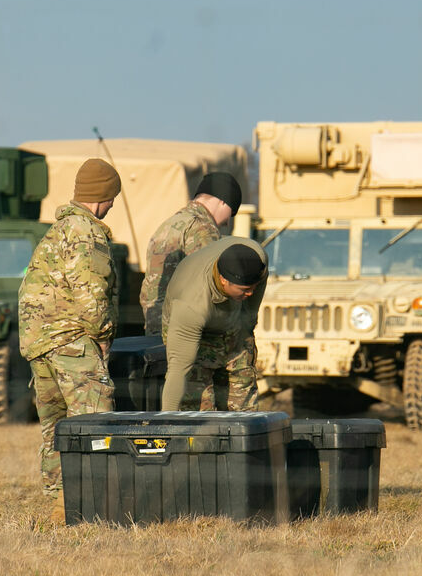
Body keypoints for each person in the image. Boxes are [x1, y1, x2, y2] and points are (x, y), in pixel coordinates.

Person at [18, 158, 121, 500]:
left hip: (39, 344)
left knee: (56, 427)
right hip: (72, 342)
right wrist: (103, 339)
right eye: (111, 198)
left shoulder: (56, 230)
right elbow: (91, 293)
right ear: (102, 196)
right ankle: (93, 502)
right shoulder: (86, 232)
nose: (111, 205)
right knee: (95, 420)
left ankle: (59, 501)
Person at [161, 236, 268, 412]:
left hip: (232, 321)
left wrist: (247, 325)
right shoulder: (192, 304)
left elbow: (252, 303)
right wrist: (166, 421)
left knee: (243, 403)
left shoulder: (257, 258)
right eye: (245, 289)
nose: (251, 293)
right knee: (198, 407)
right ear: (223, 280)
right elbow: (178, 370)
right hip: (193, 330)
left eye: (253, 287)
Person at [139, 171, 243, 335]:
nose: (228, 222)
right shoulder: (203, 229)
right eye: (231, 213)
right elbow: (209, 288)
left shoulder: (169, 224)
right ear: (222, 201)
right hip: (184, 334)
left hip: (156, 326)